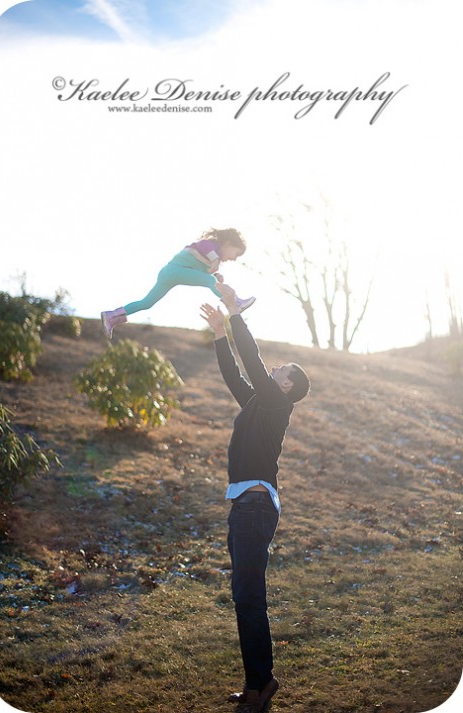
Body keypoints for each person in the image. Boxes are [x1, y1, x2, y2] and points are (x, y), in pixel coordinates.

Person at [200, 286, 310, 713]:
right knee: (245, 596)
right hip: (246, 506)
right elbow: (235, 374)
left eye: (282, 370)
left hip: (255, 507)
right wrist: (217, 333)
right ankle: (258, 681)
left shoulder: (276, 406)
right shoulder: (259, 404)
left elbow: (251, 360)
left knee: (248, 597)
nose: (276, 367)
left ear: (286, 386)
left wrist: (233, 315)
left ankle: (259, 688)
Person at [100, 228, 255, 339]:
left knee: (146, 303)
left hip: (169, 273)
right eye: (236, 253)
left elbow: (202, 272)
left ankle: (111, 316)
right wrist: (213, 269)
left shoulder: (214, 258)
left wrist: (216, 275)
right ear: (227, 243)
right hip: (175, 271)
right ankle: (236, 303)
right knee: (210, 281)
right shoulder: (211, 246)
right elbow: (203, 246)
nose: (235, 258)